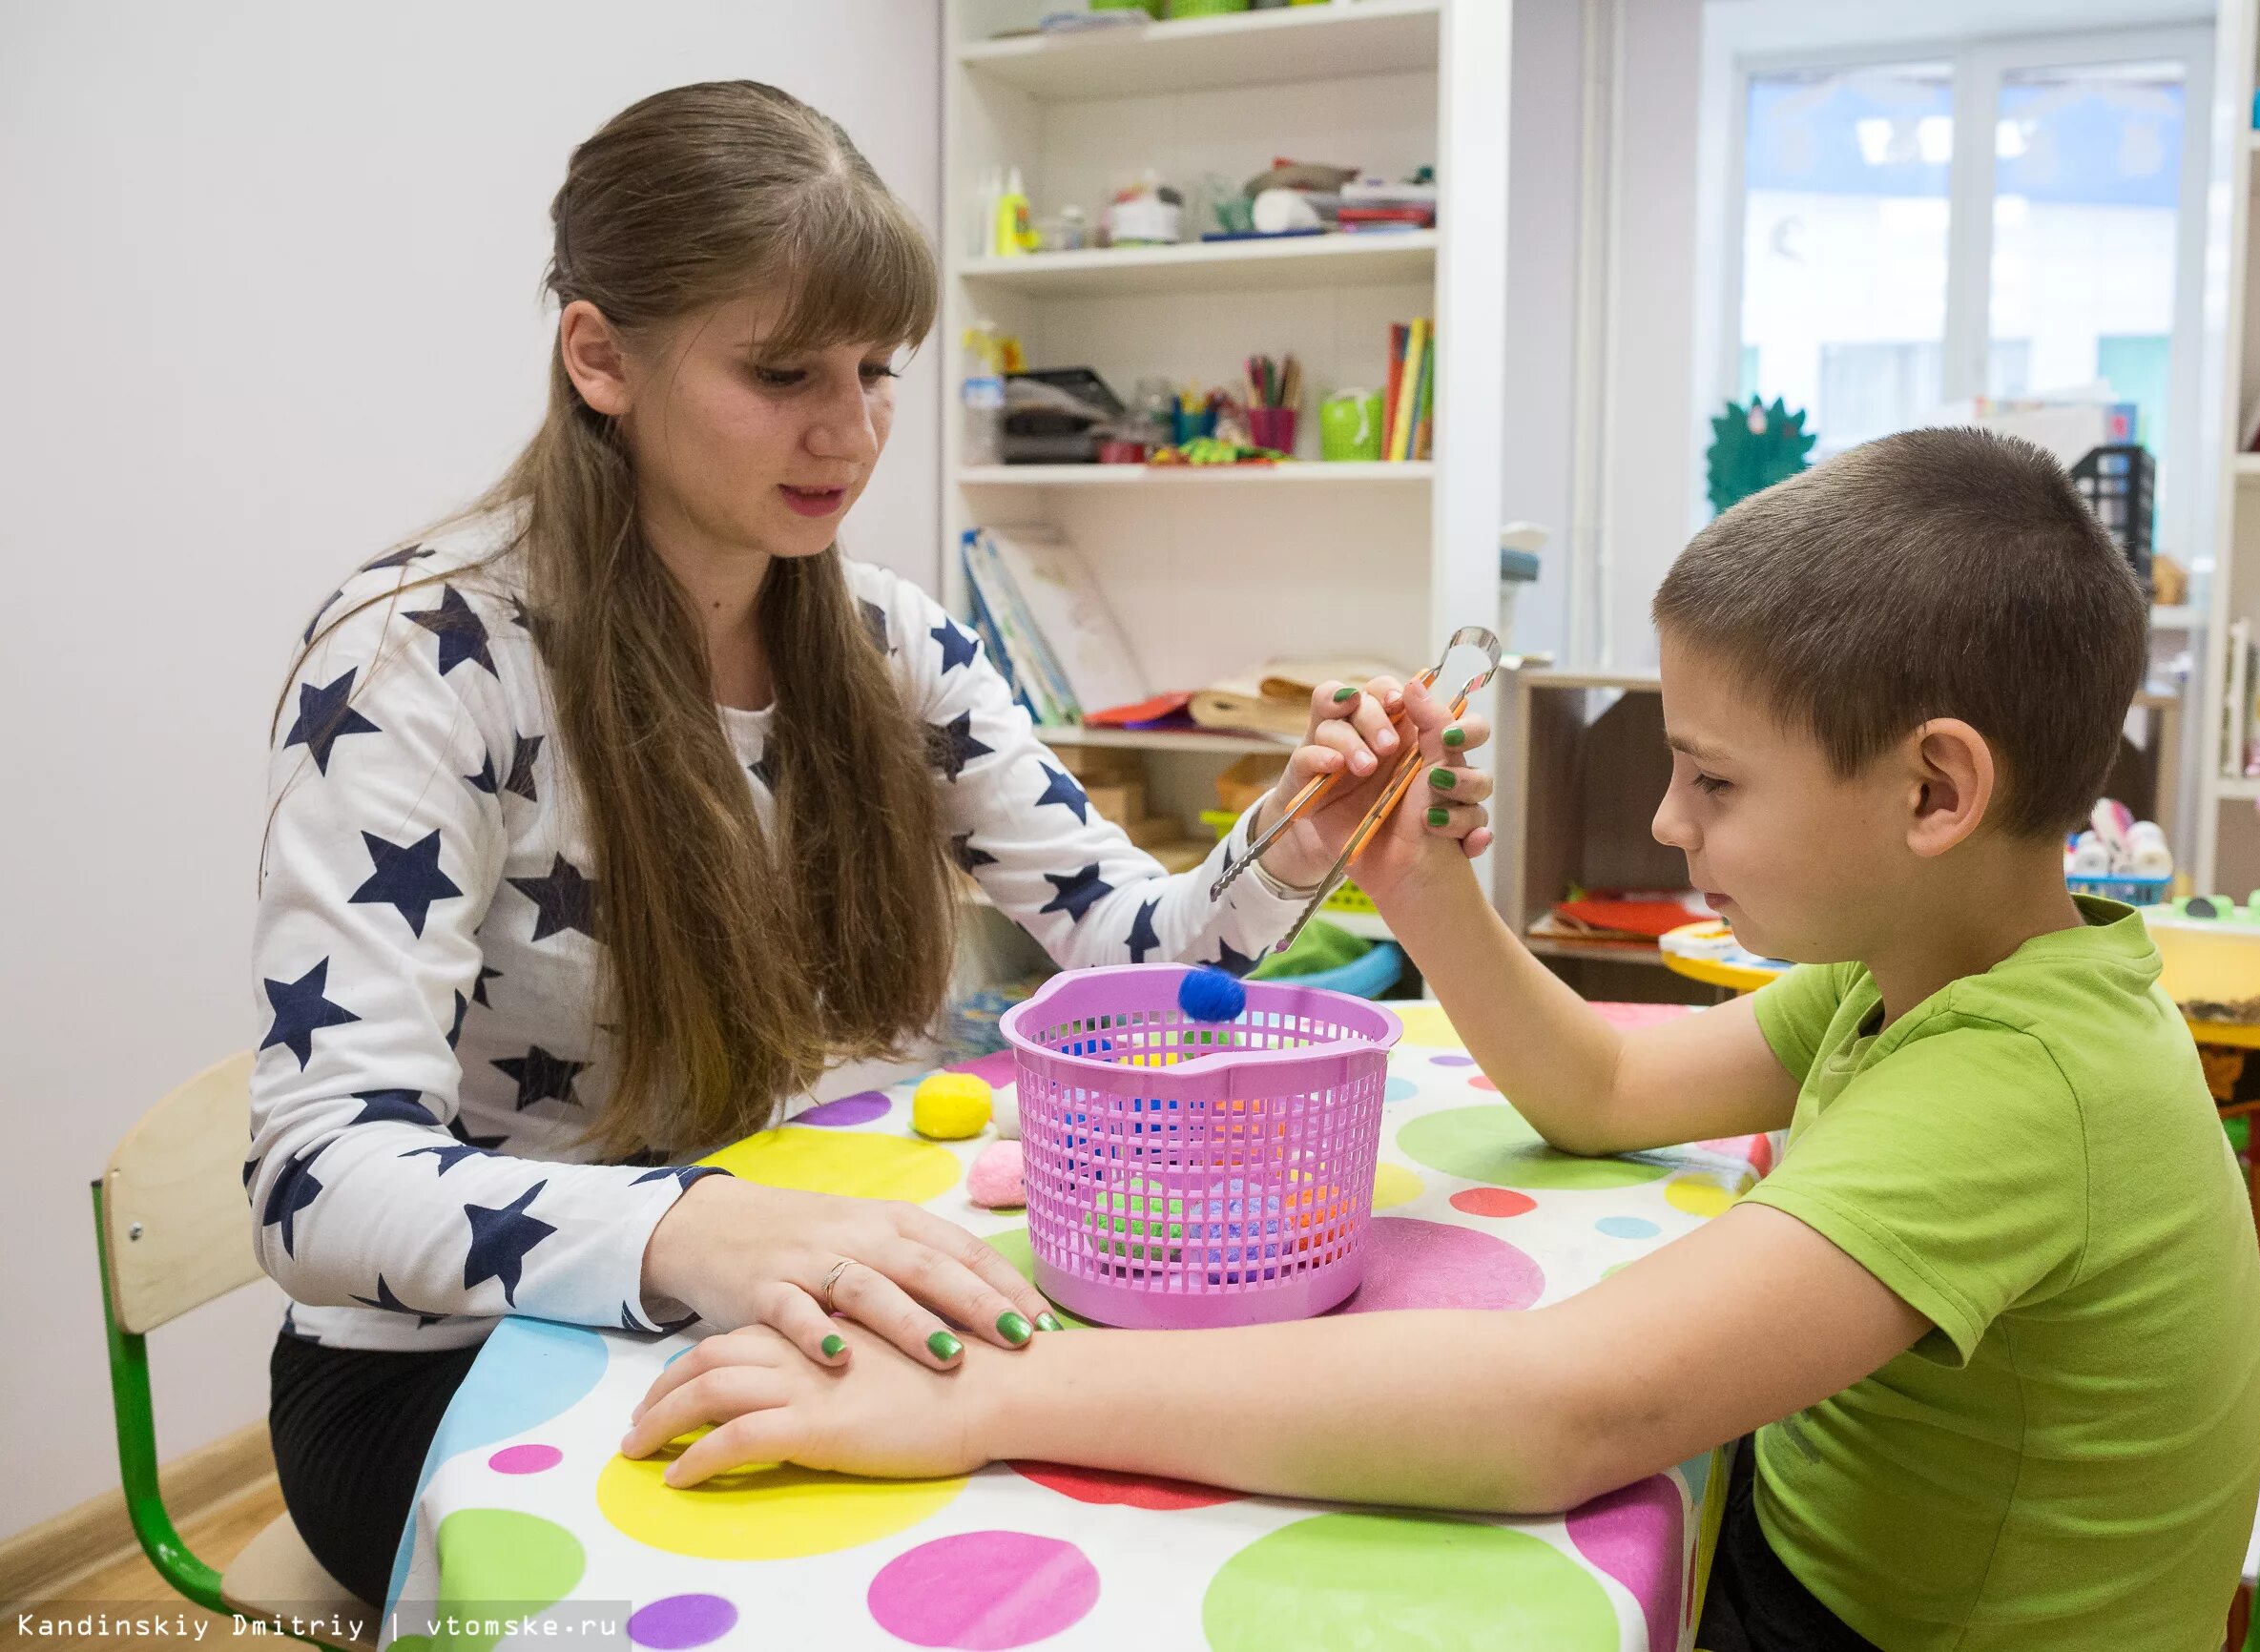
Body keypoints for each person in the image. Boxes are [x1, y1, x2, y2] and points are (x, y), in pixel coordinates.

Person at [626, 427, 2260, 1651]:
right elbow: (1607, 1090)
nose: (1663, 815)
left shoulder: (2017, 1084)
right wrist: (1426, 893)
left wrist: (996, 1397)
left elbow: (1556, 1412)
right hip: (1807, 1562)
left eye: (1713, 778)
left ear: (1933, 791)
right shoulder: (1925, 969)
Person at [246, 79, 1494, 1606]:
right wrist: (710, 1229)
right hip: (442, 1365)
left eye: (875, 370)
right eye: (781, 373)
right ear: (599, 357)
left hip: (741, 1272)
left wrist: (1297, 841)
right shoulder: (418, 663)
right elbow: (319, 1182)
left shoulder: (887, 638)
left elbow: (1144, 959)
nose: (848, 432)